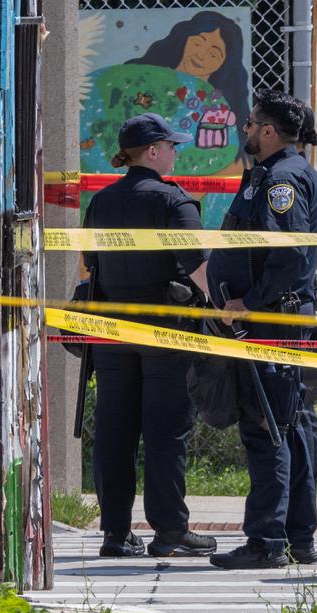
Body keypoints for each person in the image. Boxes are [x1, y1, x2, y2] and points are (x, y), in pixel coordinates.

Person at [82, 114, 218, 559]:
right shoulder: (173, 201)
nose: (176, 153)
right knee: (164, 431)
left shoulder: (101, 202)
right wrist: (223, 310)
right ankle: (169, 531)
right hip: (166, 330)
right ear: (154, 151)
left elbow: (90, 260)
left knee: (114, 431)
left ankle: (116, 534)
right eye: (172, 146)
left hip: (112, 328)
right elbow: (198, 264)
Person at [205, 90, 317, 569]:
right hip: (267, 319)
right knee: (285, 426)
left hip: (271, 321)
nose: (246, 130)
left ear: (270, 132)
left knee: (268, 429)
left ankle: (267, 542)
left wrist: (249, 304)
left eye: (252, 123)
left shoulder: (283, 179)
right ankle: (295, 537)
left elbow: (291, 254)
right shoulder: (269, 175)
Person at [126, 11, 251, 163]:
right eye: (198, 42)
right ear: (185, 38)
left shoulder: (219, 106)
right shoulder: (141, 79)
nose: (201, 55)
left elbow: (235, 165)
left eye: (213, 54)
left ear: (224, 64)